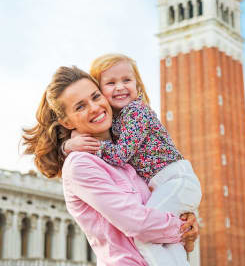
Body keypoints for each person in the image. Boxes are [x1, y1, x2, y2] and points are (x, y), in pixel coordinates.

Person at [22, 66, 198, 266]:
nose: (95, 108)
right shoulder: (81, 164)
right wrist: (180, 227)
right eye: (80, 107)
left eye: (96, 97)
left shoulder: (127, 154)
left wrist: (186, 232)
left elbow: (158, 215)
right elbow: (136, 222)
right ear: (67, 121)